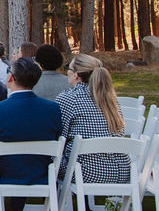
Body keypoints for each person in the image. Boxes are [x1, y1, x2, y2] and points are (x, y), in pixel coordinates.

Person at [0, 57, 62, 200]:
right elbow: (57, 136)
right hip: (40, 173)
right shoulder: (52, 109)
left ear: (11, 78)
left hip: (2, 175)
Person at [56, 54, 130, 184]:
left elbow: (59, 136)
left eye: (69, 68)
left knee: (50, 155)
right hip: (121, 171)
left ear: (76, 75)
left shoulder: (69, 99)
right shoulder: (111, 100)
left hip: (85, 172)